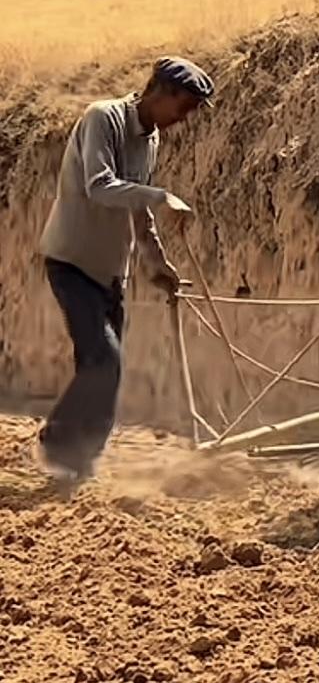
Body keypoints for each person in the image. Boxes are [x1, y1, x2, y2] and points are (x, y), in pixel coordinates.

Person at [35, 57, 215, 481]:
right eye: (185, 106)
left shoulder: (150, 141)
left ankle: (81, 462)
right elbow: (100, 186)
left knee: (103, 369)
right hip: (71, 261)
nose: (184, 118)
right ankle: (58, 440)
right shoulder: (103, 118)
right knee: (106, 360)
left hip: (112, 271)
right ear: (162, 92)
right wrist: (160, 195)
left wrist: (158, 264)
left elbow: (137, 214)